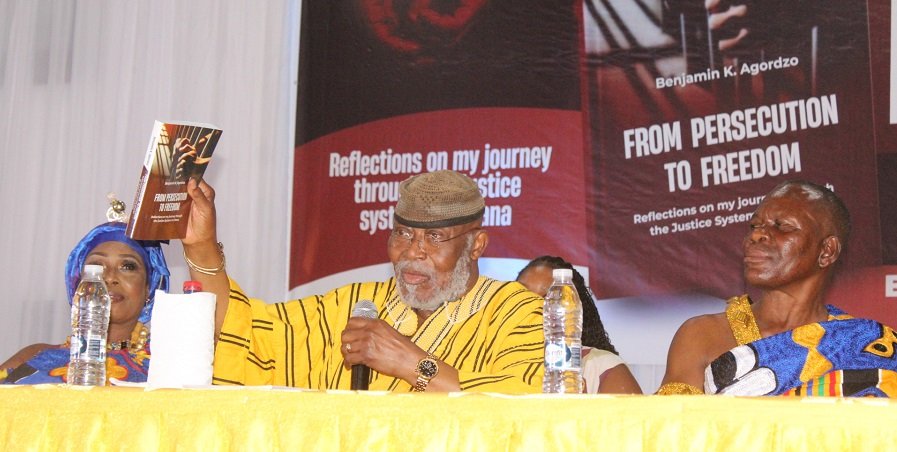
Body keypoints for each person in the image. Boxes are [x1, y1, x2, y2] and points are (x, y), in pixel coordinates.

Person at [182, 170, 544, 392]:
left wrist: (411, 364)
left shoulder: (516, 310)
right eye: (402, 234)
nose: (412, 252)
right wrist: (201, 247)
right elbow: (248, 334)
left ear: (476, 244)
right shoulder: (355, 304)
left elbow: (525, 400)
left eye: (434, 238)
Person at [658, 180, 897, 396]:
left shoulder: (866, 346)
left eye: (782, 226)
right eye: (754, 225)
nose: (758, 235)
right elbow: (672, 432)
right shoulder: (701, 335)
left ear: (827, 251)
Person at [0, 201, 170, 384]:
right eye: (96, 266)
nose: (110, 277)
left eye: (128, 266)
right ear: (79, 288)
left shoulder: (167, 365)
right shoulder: (36, 357)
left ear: (148, 289)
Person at [517, 256, 641, 394]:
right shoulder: (493, 363)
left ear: (572, 307)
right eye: (523, 297)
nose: (532, 307)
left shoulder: (602, 368)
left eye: (547, 299)